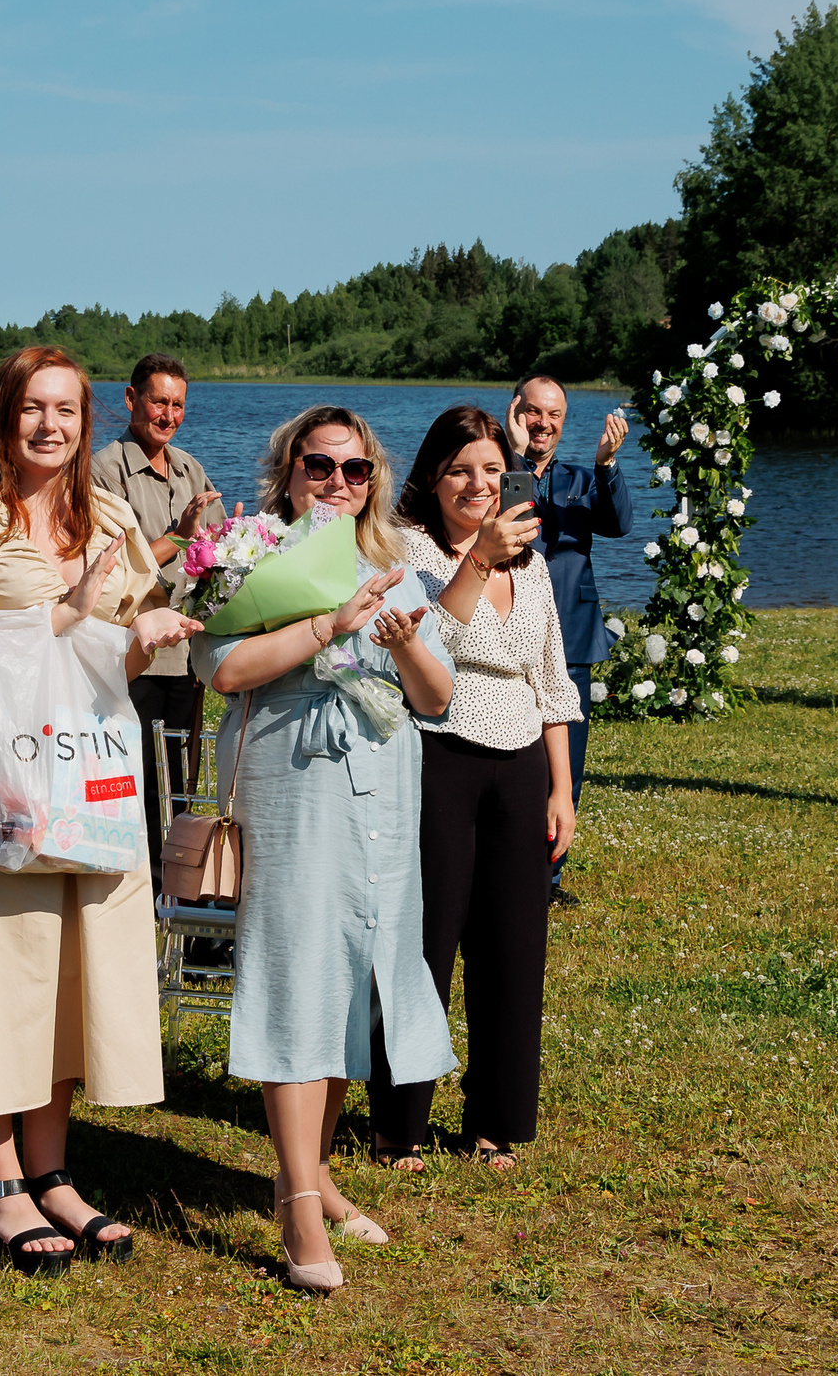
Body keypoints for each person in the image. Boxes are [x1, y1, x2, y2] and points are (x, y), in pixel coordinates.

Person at [0, 346, 202, 1274]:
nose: (49, 425)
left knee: (67, 972)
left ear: (87, 419)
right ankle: (2, 1184)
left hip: (91, 778)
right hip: (0, 778)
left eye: (65, 409)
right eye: (31, 408)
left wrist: (142, 633)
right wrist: (58, 616)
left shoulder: (106, 518)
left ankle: (55, 1173)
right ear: (3, 415)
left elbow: (119, 661)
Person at [193, 405, 458, 1293]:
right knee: (296, 973)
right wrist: (328, 626)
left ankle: (315, 1172)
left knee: (354, 974)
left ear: (374, 480)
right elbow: (222, 670)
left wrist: (407, 639)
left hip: (383, 788)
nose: (337, 483)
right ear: (289, 469)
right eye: (320, 465)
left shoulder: (399, 566)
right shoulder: (249, 554)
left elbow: (436, 697)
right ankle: (299, 1204)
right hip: (291, 779)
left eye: (354, 470)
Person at [376, 405, 578, 1175]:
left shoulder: (531, 560)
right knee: (425, 945)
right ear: (433, 474)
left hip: (522, 760)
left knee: (514, 946)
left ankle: (497, 1119)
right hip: (439, 753)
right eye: (463, 468)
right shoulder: (404, 549)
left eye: (493, 470)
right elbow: (433, 639)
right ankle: (400, 1125)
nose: (479, 483)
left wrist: (561, 788)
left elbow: (552, 678)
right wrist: (479, 560)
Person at [90, 353, 225, 886]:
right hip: (132, 655)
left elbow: (213, 555)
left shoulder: (191, 467)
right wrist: (182, 533)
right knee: (134, 780)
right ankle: (133, 888)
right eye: (158, 402)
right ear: (130, 400)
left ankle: (181, 886)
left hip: (186, 656)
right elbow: (114, 566)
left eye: (178, 405)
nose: (168, 415)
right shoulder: (104, 469)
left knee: (182, 780)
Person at [505, 375, 631, 907]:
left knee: (566, 768)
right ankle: (504, 865)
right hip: (509, 634)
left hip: (573, 637)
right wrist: (512, 458)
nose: (544, 423)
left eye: (554, 415)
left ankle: (546, 880)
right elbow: (510, 520)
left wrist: (606, 465)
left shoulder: (584, 478)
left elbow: (621, 523)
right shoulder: (494, 473)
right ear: (516, 412)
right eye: (534, 412)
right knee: (510, 760)